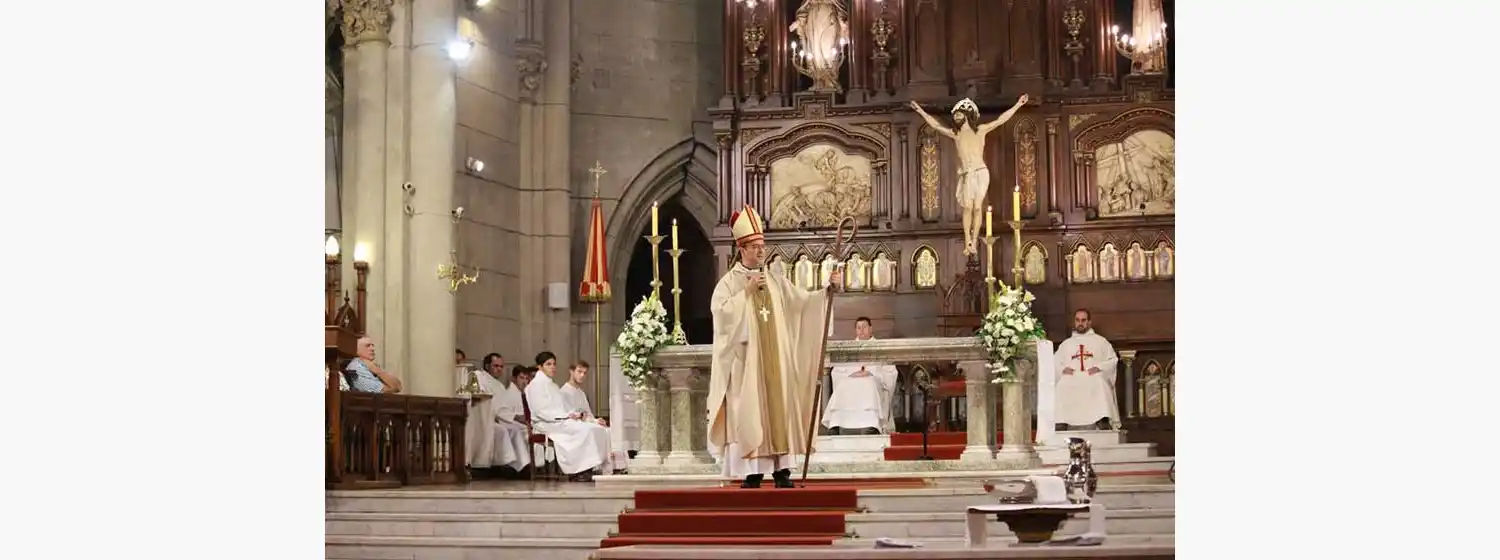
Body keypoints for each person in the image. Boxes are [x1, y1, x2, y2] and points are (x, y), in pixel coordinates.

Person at [708, 204, 842, 489]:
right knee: (751, 412)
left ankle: (782, 471)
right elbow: (721, 318)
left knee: (779, 409)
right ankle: (752, 472)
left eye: (762, 246)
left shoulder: (776, 280)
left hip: (776, 365)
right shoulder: (728, 284)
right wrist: (744, 294)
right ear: (741, 248)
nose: (761, 251)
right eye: (755, 246)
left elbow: (802, 305)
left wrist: (827, 290)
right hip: (747, 367)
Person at [909, 94, 1028, 256]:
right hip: (967, 174)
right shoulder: (955, 134)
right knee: (968, 208)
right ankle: (968, 241)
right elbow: (936, 125)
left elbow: (1001, 120)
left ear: (967, 115)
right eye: (955, 114)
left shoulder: (980, 130)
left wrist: (1018, 105)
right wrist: (921, 111)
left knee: (978, 207)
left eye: (959, 113)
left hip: (980, 172)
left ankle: (975, 239)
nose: (956, 116)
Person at [523, 351, 610, 481]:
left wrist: (576, 416)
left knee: (594, 428)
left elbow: (564, 408)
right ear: (540, 367)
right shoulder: (534, 386)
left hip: (559, 420)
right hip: (546, 424)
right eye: (548, 364)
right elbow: (541, 411)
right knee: (584, 430)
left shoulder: (552, 385)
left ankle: (589, 468)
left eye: (554, 364)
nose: (553, 367)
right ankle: (577, 471)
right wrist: (565, 416)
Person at [822, 317, 898, 435]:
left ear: (871, 329)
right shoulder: (848, 348)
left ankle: (872, 425)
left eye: (864, 327)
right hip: (851, 380)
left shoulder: (881, 347)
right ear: (855, 331)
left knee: (869, 384)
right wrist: (852, 374)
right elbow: (837, 372)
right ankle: (836, 424)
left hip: (873, 381)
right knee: (843, 386)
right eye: (858, 328)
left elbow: (890, 372)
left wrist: (872, 373)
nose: (861, 330)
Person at [1053, 309, 1120, 430]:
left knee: (1099, 381)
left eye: (1083, 320)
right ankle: (1061, 421)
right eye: (1077, 320)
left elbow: (1112, 360)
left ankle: (1102, 419)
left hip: (1092, 376)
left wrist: (1099, 367)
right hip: (1072, 377)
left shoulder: (1101, 341)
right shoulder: (1066, 344)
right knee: (1063, 383)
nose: (1080, 323)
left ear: (1089, 322)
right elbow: (1055, 362)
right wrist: (1063, 369)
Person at [559, 360, 628, 473]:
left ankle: (616, 466)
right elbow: (569, 415)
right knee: (593, 430)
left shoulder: (580, 392)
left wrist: (596, 420)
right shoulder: (563, 392)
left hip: (585, 422)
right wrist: (589, 421)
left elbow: (587, 413)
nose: (582, 375)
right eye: (579, 371)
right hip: (571, 425)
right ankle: (589, 467)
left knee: (609, 431)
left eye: (585, 373)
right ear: (571, 371)